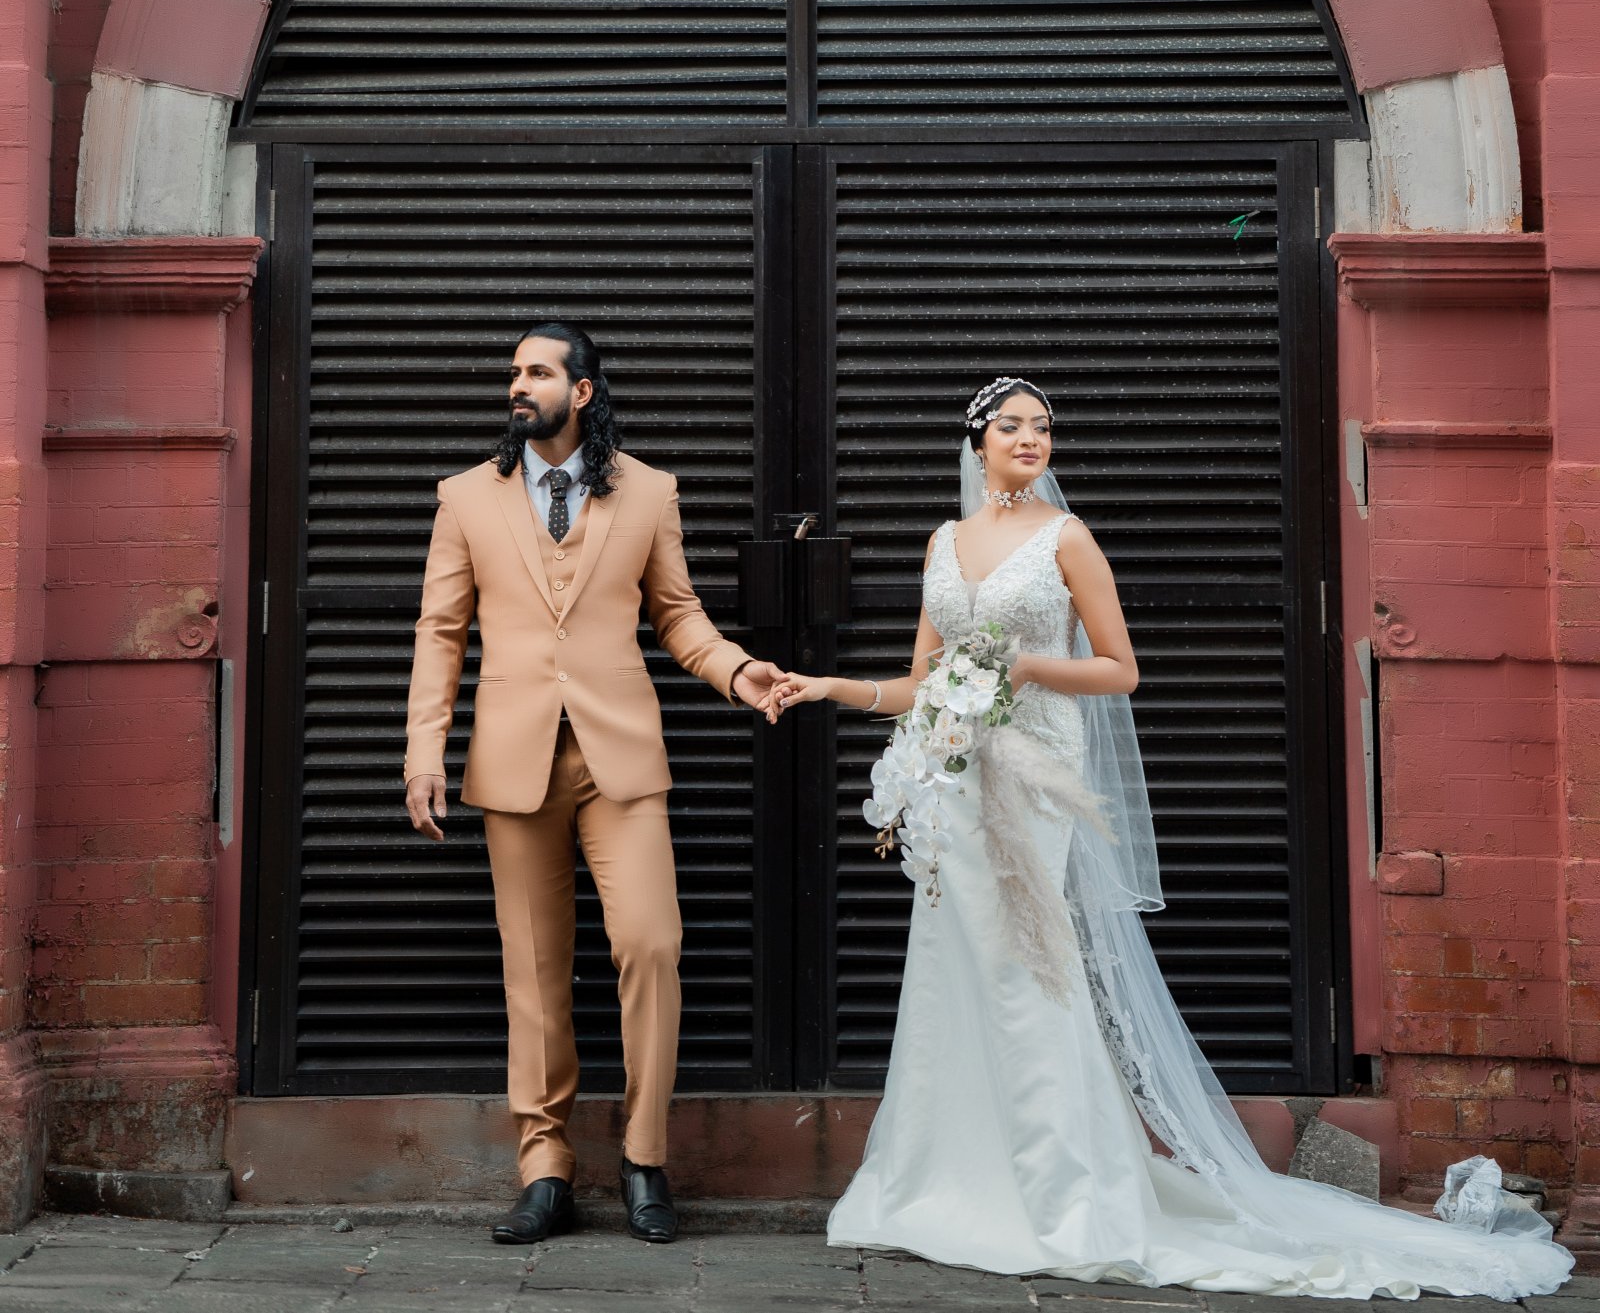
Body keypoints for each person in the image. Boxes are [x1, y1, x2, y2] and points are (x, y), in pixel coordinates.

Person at [765, 377, 1575, 1301]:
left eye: (1044, 426)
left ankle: (1063, 1194)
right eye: (1012, 425)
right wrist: (826, 687)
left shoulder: (1066, 538)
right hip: (957, 789)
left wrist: (1025, 667)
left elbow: (1121, 669)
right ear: (977, 440)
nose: (1031, 438)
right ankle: (945, 1180)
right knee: (953, 975)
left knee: (1031, 976)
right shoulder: (942, 542)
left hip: (1036, 783)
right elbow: (923, 681)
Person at [403, 317, 782, 1248]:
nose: (517, 384)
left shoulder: (649, 490)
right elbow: (441, 631)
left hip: (620, 756)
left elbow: (679, 615)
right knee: (534, 971)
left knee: (652, 943)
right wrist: (424, 751)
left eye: (537, 371)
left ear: (580, 390)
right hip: (513, 759)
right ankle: (545, 1168)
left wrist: (737, 671)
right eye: (513, 370)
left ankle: (645, 1156)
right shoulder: (465, 497)